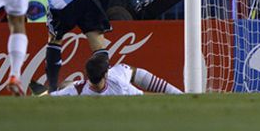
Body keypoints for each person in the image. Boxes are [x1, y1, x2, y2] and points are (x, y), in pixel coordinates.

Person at [29, 53, 183, 96]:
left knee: (67, 84)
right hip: (119, 82)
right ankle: (180, 94)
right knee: (132, 71)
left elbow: (49, 98)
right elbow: (144, 96)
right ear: (106, 74)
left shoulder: (77, 89)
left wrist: (38, 90)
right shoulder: (119, 84)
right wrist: (174, 96)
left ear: (86, 75)